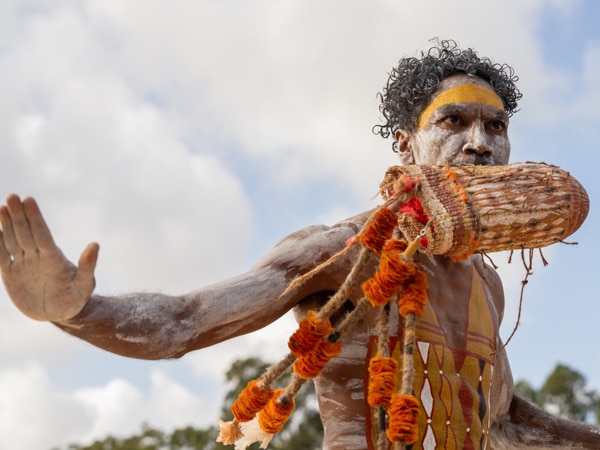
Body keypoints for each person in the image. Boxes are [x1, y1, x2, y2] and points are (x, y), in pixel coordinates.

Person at [0, 40, 598, 450]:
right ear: (404, 143)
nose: (479, 144)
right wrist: (75, 311)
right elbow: (183, 322)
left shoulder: (486, 283)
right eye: (453, 122)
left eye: (496, 128)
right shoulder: (342, 250)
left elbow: (505, 421)